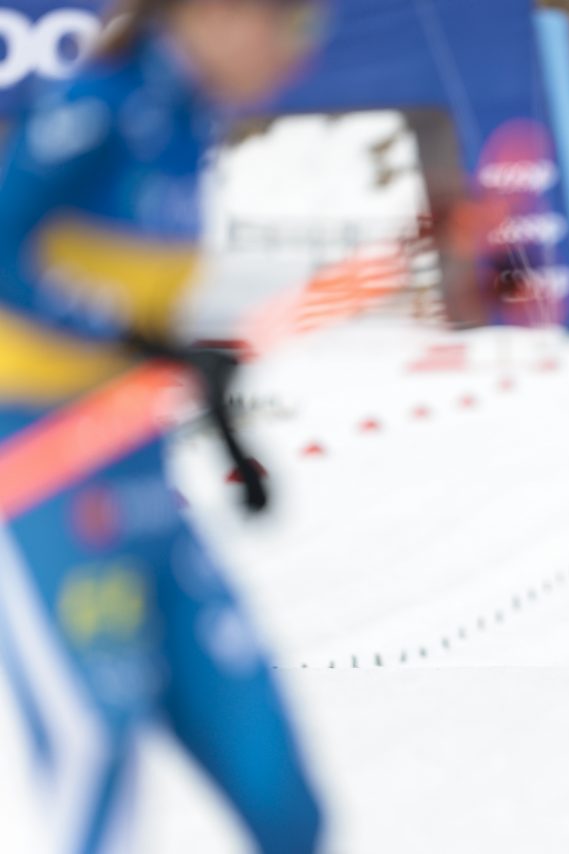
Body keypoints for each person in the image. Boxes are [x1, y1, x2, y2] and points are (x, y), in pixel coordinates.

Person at [0, 1, 326, 850]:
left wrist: (214, 414)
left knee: (275, 779)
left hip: (138, 474)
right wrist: (136, 337)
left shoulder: (191, 122)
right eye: (288, 25)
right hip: (36, 471)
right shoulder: (102, 102)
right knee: (92, 749)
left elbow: (134, 313)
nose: (299, 52)